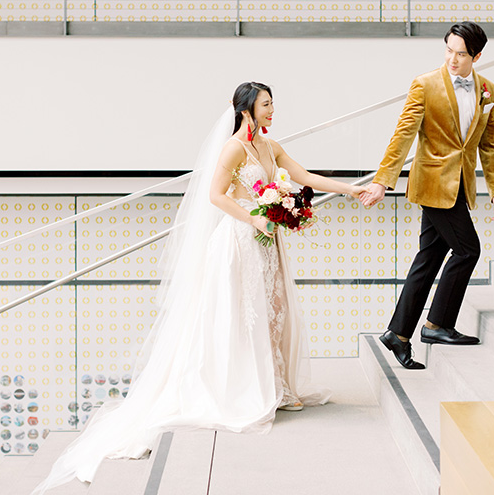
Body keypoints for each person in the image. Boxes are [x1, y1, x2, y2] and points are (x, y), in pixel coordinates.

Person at [32, 82, 364, 492]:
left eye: (273, 104)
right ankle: (248, 388)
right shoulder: (232, 150)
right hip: (240, 241)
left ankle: (276, 385)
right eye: (266, 105)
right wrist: (254, 218)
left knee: (275, 309)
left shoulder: (270, 145)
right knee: (245, 313)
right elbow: (214, 196)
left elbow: (301, 175)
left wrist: (352, 189)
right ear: (246, 110)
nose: (272, 110)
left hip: (267, 241)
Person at [359, 22, 494, 370]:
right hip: (432, 183)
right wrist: (383, 180)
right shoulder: (425, 84)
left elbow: (490, 143)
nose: (452, 59)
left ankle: (398, 334)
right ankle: (437, 324)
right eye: (448, 50)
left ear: (477, 56)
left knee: (427, 259)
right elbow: (403, 135)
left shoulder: (488, 90)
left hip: (460, 185)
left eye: (461, 54)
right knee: (468, 249)